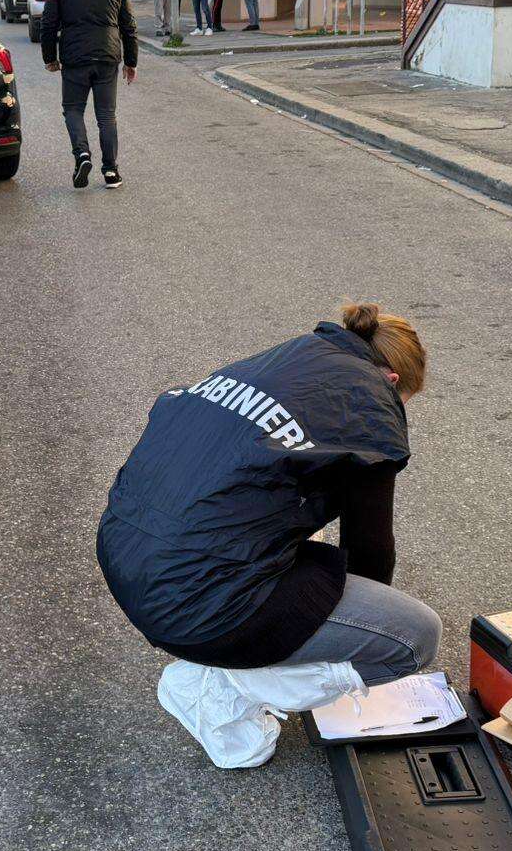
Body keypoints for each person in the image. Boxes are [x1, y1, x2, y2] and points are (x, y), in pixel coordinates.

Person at [98, 303, 441, 769]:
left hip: (130, 562)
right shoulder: (368, 407)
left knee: (300, 544)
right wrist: (357, 627)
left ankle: (227, 649)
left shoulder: (285, 362)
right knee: (415, 636)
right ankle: (226, 683)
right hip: (199, 606)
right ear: (394, 382)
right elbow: (370, 552)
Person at [41, 0, 137, 190]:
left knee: (73, 110)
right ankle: (111, 172)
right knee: (106, 115)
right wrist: (131, 61)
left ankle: (82, 154)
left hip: (74, 58)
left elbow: (48, 23)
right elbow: (128, 25)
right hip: (107, 55)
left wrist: (50, 58)